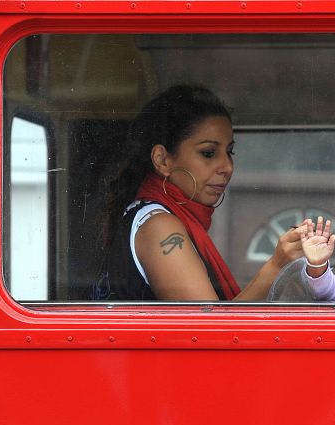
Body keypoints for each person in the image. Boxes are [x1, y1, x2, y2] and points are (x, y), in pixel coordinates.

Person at [93, 85, 306, 300]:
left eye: (229, 152)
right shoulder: (159, 226)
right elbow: (210, 330)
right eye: (208, 153)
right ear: (162, 160)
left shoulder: (147, 215)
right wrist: (277, 264)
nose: (227, 166)